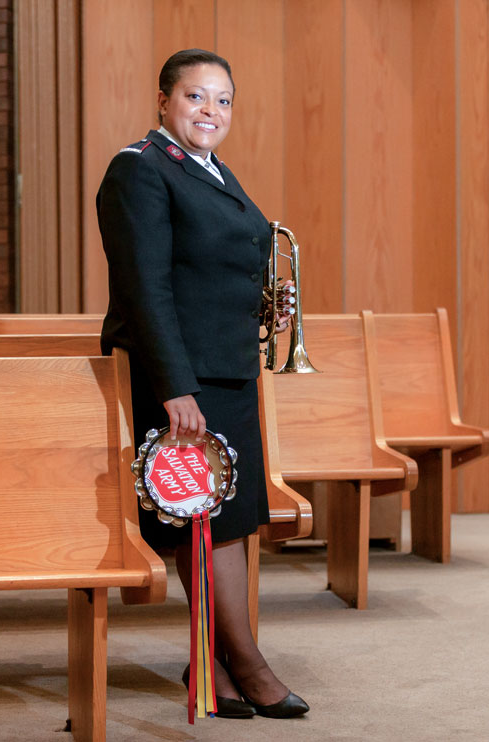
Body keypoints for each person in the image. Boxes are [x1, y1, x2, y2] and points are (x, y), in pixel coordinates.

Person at [96, 48, 309, 720]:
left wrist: (261, 304)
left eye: (222, 100)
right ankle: (246, 661)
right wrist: (174, 385)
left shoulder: (210, 169)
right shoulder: (140, 170)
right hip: (185, 378)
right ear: (163, 101)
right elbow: (145, 288)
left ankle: (213, 662)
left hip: (229, 369)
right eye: (195, 97)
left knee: (231, 517)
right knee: (204, 521)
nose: (210, 111)